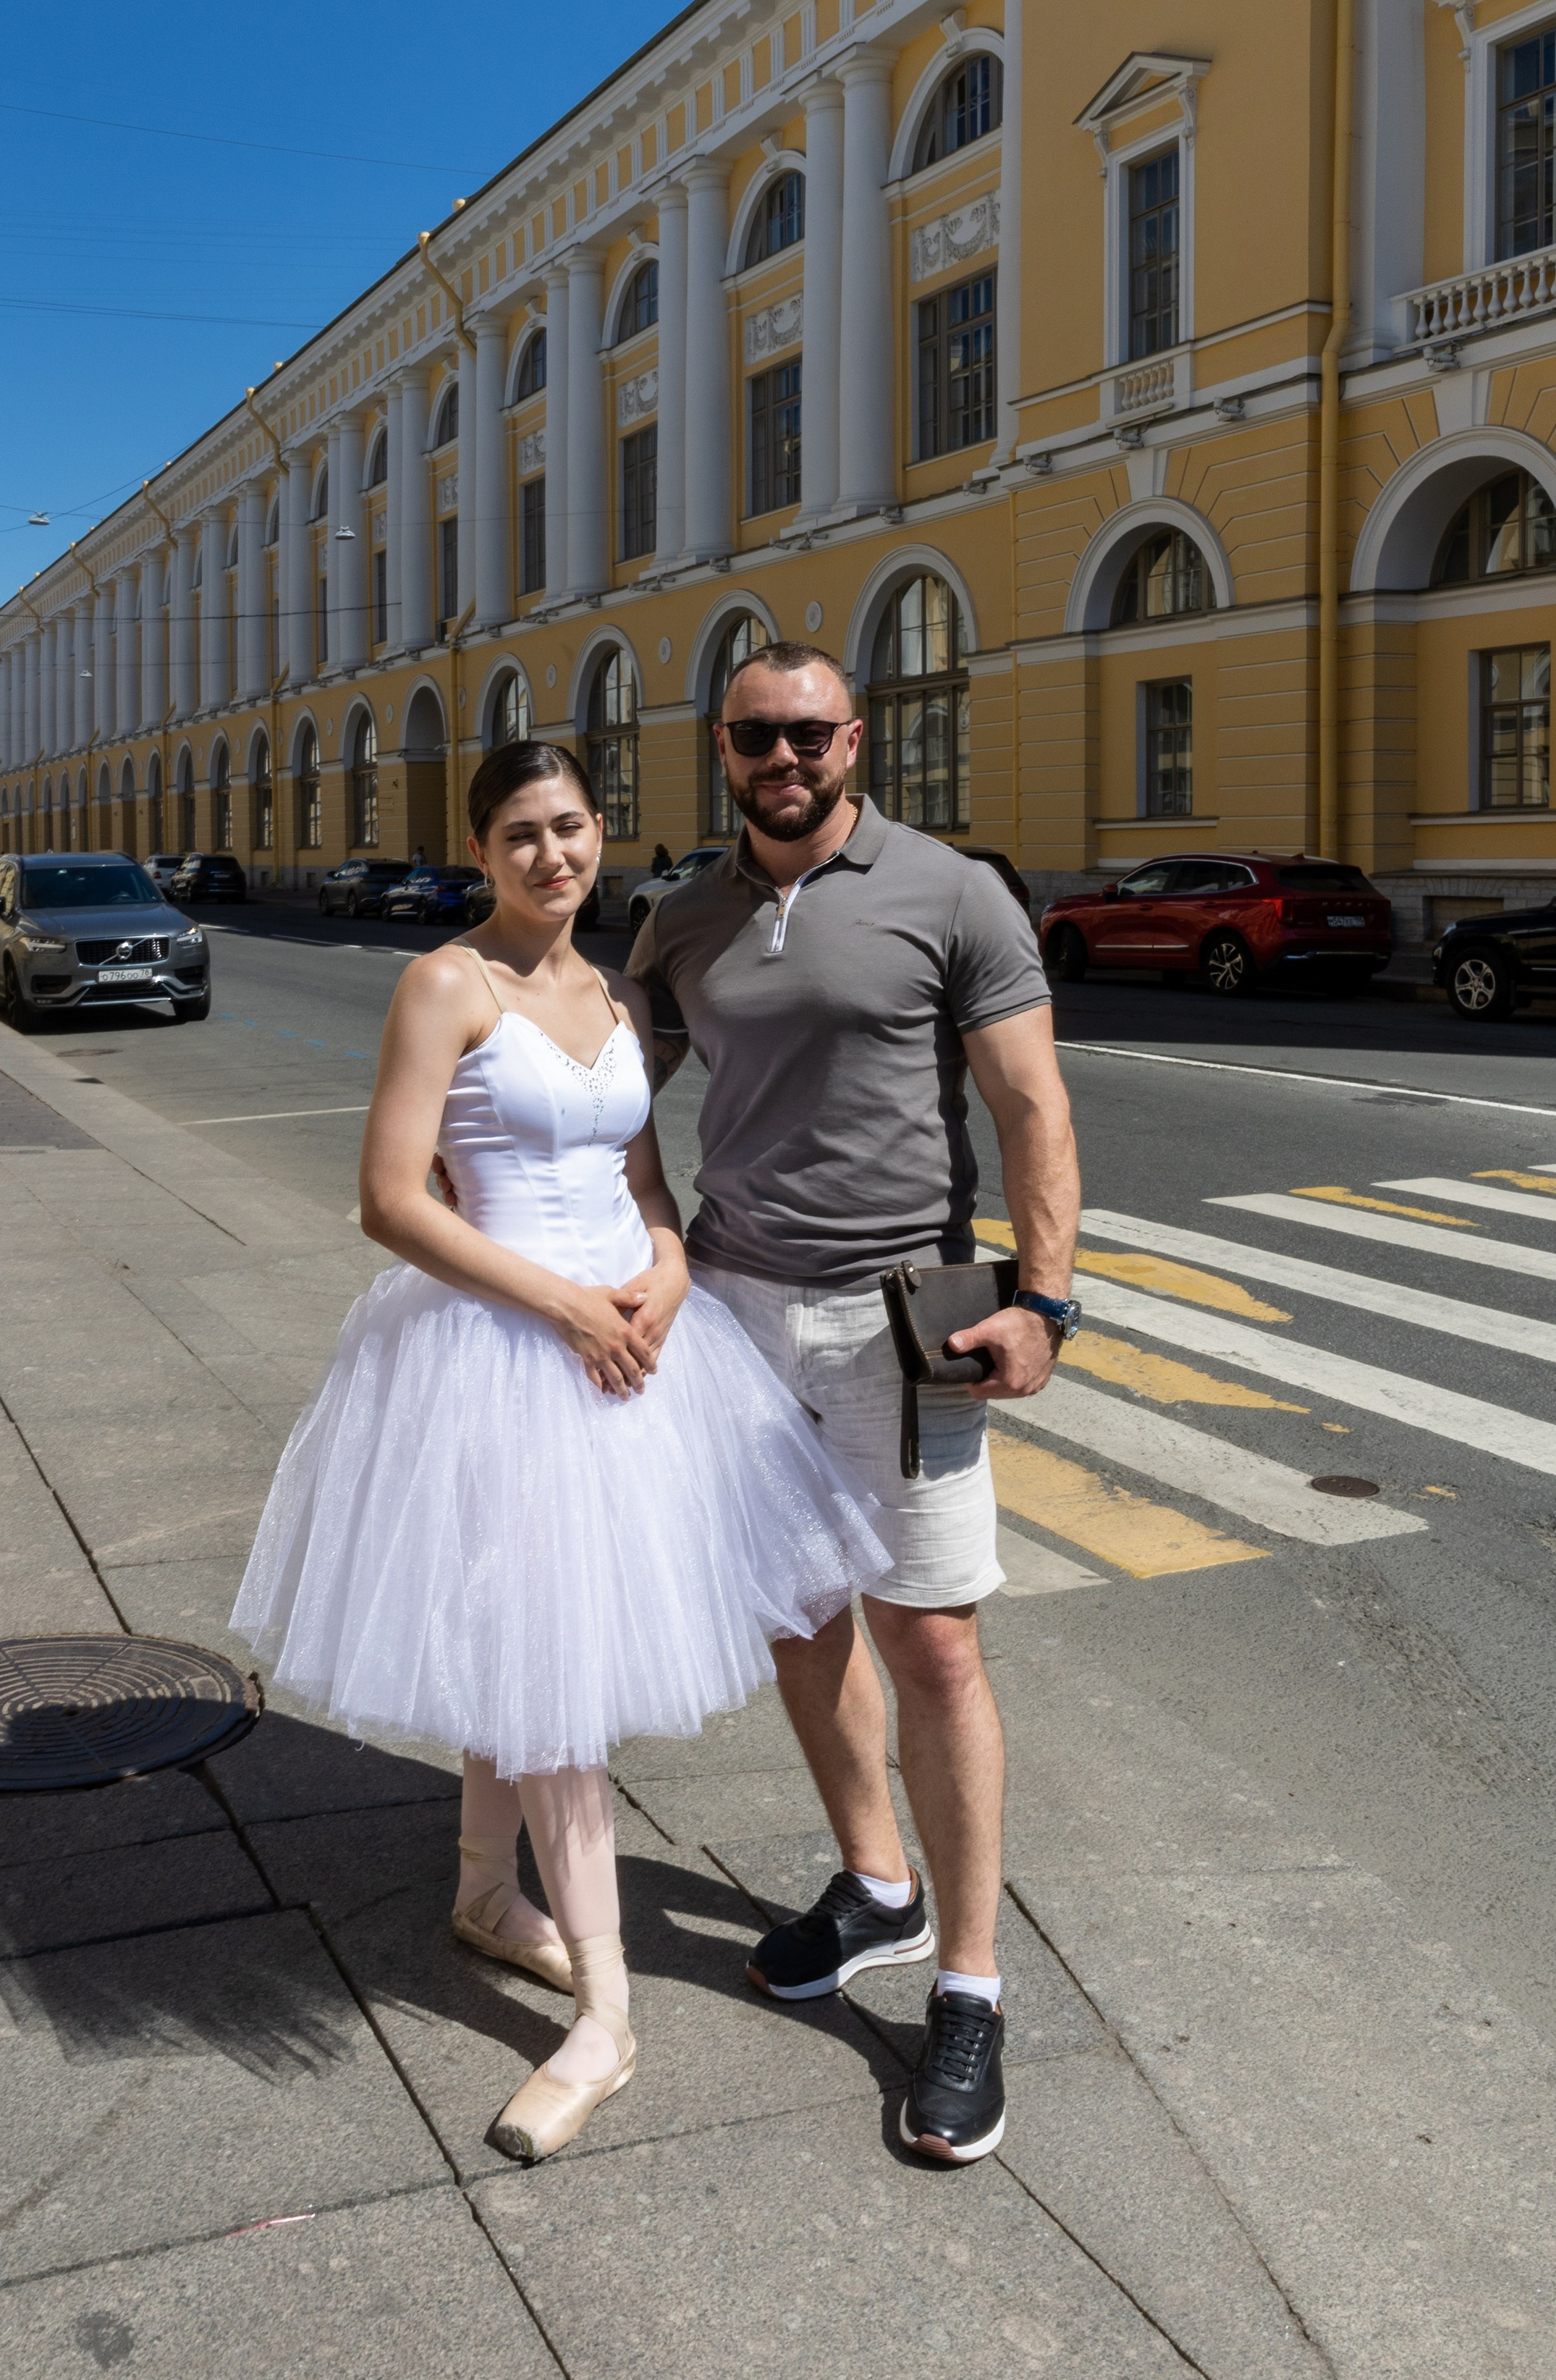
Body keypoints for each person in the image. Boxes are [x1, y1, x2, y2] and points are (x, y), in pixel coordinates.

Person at [232, 737, 887, 2165]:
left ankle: (483, 1894)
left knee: (521, 1648)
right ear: (482, 851)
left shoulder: (610, 994)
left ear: (602, 836)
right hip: (501, 1343)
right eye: (521, 833)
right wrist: (567, 1311)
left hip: (632, 1347)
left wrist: (658, 1279)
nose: (551, 856)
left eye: (572, 827)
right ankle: (604, 2009)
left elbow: (643, 1174)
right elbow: (390, 1202)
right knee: (545, 1677)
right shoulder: (445, 984)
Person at [627, 640, 1082, 2166]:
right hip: (735, 1317)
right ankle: (870, 1883)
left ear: (853, 737)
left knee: (932, 1640)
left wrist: (1045, 1298)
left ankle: (967, 1984)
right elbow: (615, 1099)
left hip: (909, 1313)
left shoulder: (949, 893)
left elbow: (1028, 1104)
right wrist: (645, 1245)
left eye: (808, 731)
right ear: (722, 744)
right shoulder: (681, 914)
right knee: (798, 1621)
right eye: (755, 733)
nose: (784, 756)